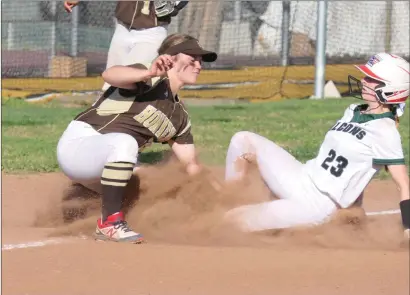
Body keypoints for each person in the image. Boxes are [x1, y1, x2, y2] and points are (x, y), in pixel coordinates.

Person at [223, 53, 410, 239]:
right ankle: (227, 200)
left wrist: (408, 229)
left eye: (371, 79)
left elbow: (403, 184)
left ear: (390, 90)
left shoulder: (385, 132)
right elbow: (355, 168)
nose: (363, 81)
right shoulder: (353, 110)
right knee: (242, 140)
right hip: (303, 177)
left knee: (230, 221)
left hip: (316, 205)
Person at [56, 33, 218, 243]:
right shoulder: (148, 77)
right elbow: (110, 74)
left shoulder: (180, 116)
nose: (198, 65)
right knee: (126, 142)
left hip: (104, 163)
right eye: (192, 58)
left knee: (153, 182)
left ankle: (84, 202)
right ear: (171, 57)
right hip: (80, 145)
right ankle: (109, 224)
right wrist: (148, 72)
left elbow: (192, 166)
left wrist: (220, 197)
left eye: (201, 60)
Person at [64, 1, 188, 91]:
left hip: (152, 32)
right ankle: (103, 120)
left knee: (131, 80)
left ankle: (125, 122)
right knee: (110, 80)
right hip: (123, 27)